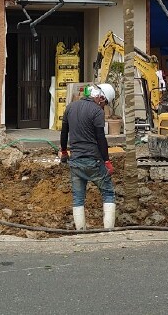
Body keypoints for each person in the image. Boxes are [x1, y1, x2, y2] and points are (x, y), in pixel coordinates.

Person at [60, 83, 117, 230]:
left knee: (78, 198)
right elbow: (101, 138)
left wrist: (64, 151)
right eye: (105, 103)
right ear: (101, 97)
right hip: (93, 161)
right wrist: (107, 161)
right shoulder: (97, 112)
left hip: (76, 162)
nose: (104, 106)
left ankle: (80, 231)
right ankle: (109, 231)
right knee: (108, 192)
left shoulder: (70, 107)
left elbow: (64, 132)